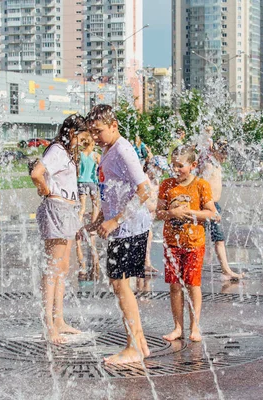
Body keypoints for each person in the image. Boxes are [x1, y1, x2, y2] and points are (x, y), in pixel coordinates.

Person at [84, 104, 152, 364]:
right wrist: (101, 218)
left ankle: (133, 347)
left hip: (129, 227)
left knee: (121, 285)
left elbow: (145, 191)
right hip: (122, 225)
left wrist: (114, 220)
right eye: (92, 132)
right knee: (119, 284)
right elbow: (114, 190)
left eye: (99, 131)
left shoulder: (123, 150)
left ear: (114, 126)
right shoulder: (109, 149)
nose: (95, 136)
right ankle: (141, 344)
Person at [30, 114, 86, 344]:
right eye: (82, 136)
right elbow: (36, 173)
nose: (84, 141)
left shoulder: (67, 153)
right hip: (57, 208)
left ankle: (59, 319)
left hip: (67, 209)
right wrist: (45, 190)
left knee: (62, 268)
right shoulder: (58, 151)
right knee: (53, 269)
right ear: (72, 132)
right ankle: (49, 326)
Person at [156, 145, 216, 342]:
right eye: (173, 165)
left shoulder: (201, 185)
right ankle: (177, 327)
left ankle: (195, 326)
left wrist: (191, 214)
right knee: (174, 286)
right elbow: (158, 213)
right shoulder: (166, 185)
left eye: (180, 166)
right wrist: (171, 214)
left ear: (193, 165)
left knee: (193, 284)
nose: (175, 170)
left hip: (194, 243)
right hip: (172, 243)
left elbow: (212, 213)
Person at [199, 138, 245, 280]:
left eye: (226, 155)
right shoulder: (208, 166)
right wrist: (212, 209)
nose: (225, 158)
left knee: (219, 239)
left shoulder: (217, 165)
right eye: (223, 154)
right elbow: (201, 188)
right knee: (202, 239)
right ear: (216, 151)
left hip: (214, 205)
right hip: (207, 206)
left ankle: (226, 270)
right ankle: (190, 269)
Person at [76, 135, 101, 280]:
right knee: (95, 205)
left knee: (83, 206)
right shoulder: (95, 155)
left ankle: (78, 224)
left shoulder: (80, 155)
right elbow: (100, 168)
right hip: (92, 182)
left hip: (81, 182)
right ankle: (93, 227)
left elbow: (78, 168)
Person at [143, 155, 170, 276]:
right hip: (141, 213)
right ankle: (145, 263)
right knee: (145, 236)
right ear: (152, 166)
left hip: (150, 214)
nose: (161, 172)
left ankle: (146, 262)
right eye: (159, 169)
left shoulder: (156, 180)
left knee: (148, 237)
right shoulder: (144, 178)